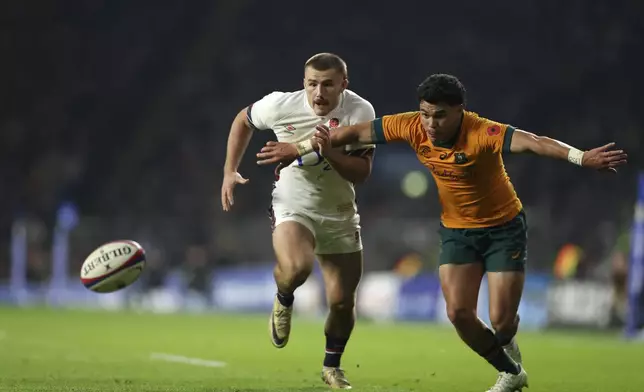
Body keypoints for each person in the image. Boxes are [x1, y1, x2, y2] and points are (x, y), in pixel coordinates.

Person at [255, 73, 628, 392]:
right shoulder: (410, 125)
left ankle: (506, 342)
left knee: (501, 321)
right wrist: (296, 147)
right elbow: (346, 133)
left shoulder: (482, 132)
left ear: (459, 112)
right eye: (425, 113)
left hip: (503, 228)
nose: (430, 123)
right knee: (459, 314)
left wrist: (581, 157)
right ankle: (510, 373)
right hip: (457, 231)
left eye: (440, 115)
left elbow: (536, 142)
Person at [221, 53, 376, 389]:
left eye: (328, 84)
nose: (319, 92)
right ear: (303, 82)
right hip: (293, 203)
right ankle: (284, 296)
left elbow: (362, 172)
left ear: (343, 85)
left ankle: (332, 366)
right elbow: (243, 120)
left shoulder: (360, 111)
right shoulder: (280, 105)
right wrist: (229, 170)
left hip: (339, 211)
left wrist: (320, 152)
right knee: (297, 268)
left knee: (340, 301)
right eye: (312, 84)